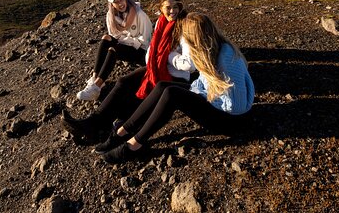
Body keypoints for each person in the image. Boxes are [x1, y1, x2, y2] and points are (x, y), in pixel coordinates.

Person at [97, 12, 255, 164]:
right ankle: (122, 131)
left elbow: (237, 106)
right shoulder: (214, 47)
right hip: (216, 100)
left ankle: (134, 145)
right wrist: (199, 93)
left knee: (172, 94)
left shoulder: (224, 59)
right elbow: (206, 82)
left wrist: (205, 100)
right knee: (162, 86)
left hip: (231, 119)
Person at [62, 0, 194, 140]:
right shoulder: (161, 22)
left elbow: (190, 64)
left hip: (175, 76)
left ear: (180, 6)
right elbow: (152, 47)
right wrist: (155, 55)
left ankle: (112, 127)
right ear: (161, 9)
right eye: (168, 8)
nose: (172, 11)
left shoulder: (185, 27)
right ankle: (90, 123)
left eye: (175, 7)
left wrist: (166, 56)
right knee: (123, 82)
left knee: (135, 99)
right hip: (155, 67)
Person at [76, 0, 153, 101]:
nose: (120, 4)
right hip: (125, 43)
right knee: (106, 38)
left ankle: (96, 87)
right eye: (116, 2)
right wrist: (124, 40)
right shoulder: (111, 16)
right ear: (111, 4)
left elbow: (146, 40)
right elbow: (113, 35)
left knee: (114, 49)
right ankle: (95, 78)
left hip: (140, 50)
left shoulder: (139, 14)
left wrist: (126, 41)